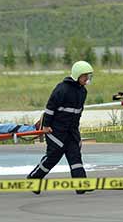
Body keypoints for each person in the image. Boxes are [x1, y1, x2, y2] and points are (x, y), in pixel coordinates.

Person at [28, 60, 93, 194]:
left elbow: (77, 115)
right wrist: (45, 126)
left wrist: (77, 136)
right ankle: (33, 179)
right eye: (85, 75)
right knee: (53, 157)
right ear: (77, 75)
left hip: (71, 131)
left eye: (88, 75)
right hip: (55, 130)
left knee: (75, 156)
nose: (87, 78)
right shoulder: (62, 89)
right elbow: (50, 109)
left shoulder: (82, 92)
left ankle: (81, 185)